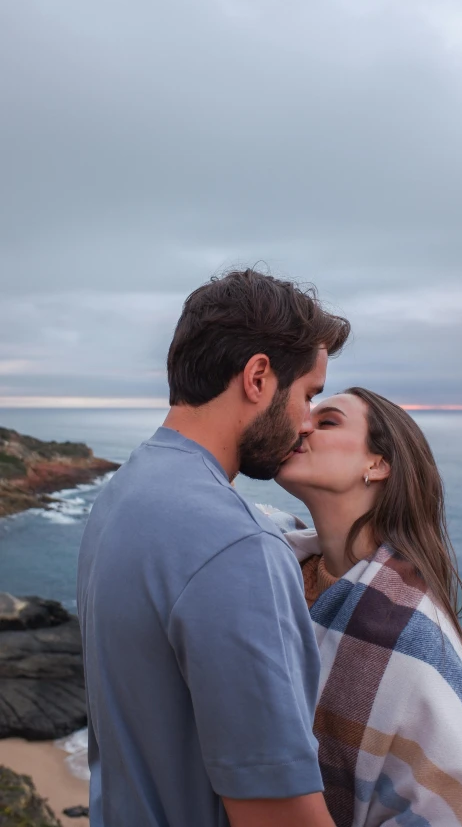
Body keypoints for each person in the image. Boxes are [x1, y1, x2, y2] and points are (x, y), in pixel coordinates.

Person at [77, 269, 350, 827]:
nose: (305, 424)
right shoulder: (239, 547)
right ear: (257, 377)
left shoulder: (121, 495)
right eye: (307, 395)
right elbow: (278, 814)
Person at [274, 387, 462, 827]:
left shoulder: (408, 632)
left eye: (327, 421)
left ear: (377, 464)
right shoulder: (272, 570)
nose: (303, 424)